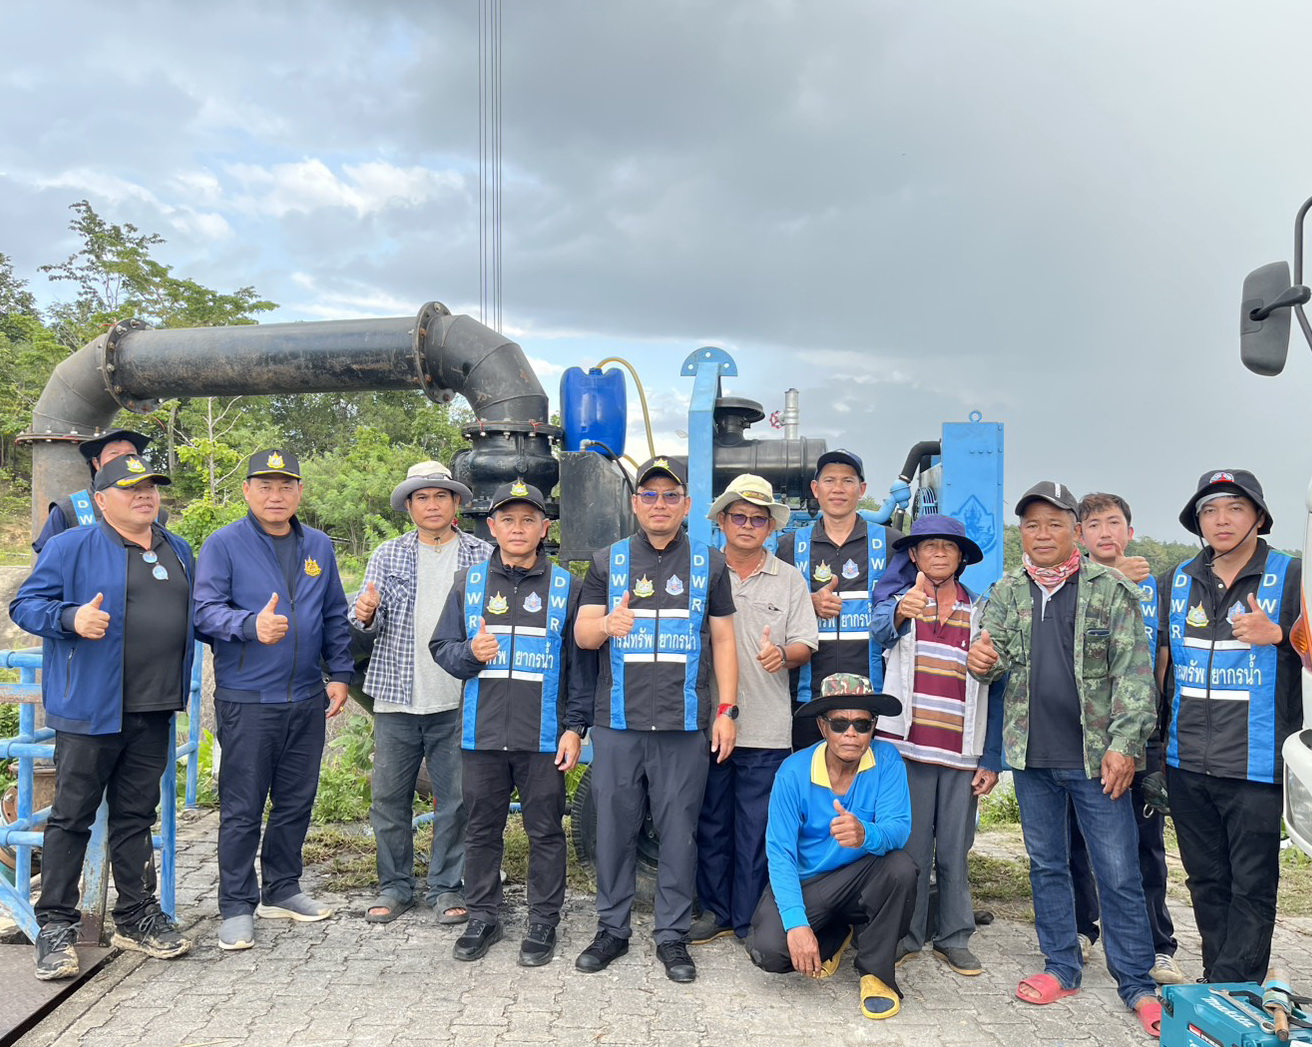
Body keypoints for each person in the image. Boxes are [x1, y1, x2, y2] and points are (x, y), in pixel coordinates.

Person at [966, 481, 1161, 1039]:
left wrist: (1125, 746)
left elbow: (1134, 676)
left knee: (1118, 872)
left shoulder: (1111, 589)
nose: (1043, 534)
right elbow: (993, 662)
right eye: (1032, 525)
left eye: (1054, 524)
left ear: (1075, 530)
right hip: (1032, 759)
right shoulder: (1007, 591)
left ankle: (1138, 984)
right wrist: (980, 659)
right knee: (1047, 865)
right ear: (1021, 533)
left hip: (1097, 760)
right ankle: (1061, 967)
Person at [11, 454, 195, 979]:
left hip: (154, 706)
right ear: (101, 499)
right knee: (72, 817)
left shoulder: (177, 548)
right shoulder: (71, 546)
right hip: (90, 708)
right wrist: (71, 617)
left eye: (151, 487)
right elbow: (26, 605)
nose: (145, 495)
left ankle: (136, 917)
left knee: (137, 816)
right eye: (131, 488)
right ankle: (56, 926)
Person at [573, 456, 738, 984]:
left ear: (686, 505)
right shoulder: (607, 562)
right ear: (635, 503)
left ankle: (672, 935)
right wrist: (607, 624)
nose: (659, 504)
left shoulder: (711, 564)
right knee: (613, 831)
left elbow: (724, 641)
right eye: (649, 495)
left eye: (670, 496)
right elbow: (582, 635)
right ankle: (612, 930)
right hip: (618, 723)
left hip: (684, 724)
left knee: (679, 833)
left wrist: (727, 711)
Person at [193, 448, 354, 951]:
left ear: (300, 492)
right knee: (242, 807)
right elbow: (203, 612)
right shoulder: (224, 544)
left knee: (295, 801)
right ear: (247, 491)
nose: (276, 495)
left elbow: (334, 613)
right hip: (248, 699)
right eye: (265, 486)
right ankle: (236, 905)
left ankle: (282, 889)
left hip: (306, 697)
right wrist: (249, 625)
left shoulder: (318, 545)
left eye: (286, 486)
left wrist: (340, 673)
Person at [430, 481, 596, 966]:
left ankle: (543, 921)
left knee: (546, 832)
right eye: (508, 519)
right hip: (481, 734)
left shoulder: (568, 587)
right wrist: (470, 652)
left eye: (528, 520)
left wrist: (575, 728)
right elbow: (442, 648)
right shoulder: (468, 583)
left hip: (544, 737)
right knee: (482, 830)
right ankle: (483, 916)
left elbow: (582, 669)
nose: (517, 528)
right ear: (492, 527)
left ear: (545, 528)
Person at [1158, 470, 1301, 983]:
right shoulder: (1177, 579)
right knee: (1205, 881)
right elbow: (1161, 665)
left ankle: (1236, 988)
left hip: (1256, 764)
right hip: (1186, 761)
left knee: (1252, 885)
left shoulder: (1294, 577)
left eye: (1235, 508)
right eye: (1210, 510)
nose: (1222, 519)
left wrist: (1280, 634)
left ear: (1258, 517)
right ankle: (1218, 979)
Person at [350, 461, 491, 927]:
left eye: (440, 496)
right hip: (397, 696)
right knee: (389, 800)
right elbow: (362, 623)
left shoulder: (482, 554)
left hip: (459, 697)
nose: (432, 505)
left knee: (457, 799)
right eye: (422, 497)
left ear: (456, 504)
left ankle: (447, 886)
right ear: (409, 507)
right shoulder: (387, 555)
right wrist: (365, 613)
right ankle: (395, 886)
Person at [871, 513, 1002, 976]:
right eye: (929, 546)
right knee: (910, 851)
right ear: (914, 555)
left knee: (953, 851)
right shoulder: (899, 602)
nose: (939, 553)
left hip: (962, 752)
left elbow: (999, 686)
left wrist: (991, 757)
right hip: (907, 750)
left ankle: (954, 936)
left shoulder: (982, 610)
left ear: (962, 558)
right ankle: (907, 935)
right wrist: (900, 611)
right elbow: (880, 629)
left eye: (949, 547)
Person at [690, 475, 818, 945]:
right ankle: (715, 911)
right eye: (739, 516)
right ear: (722, 521)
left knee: (757, 829)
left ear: (771, 527)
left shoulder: (789, 578)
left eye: (758, 519)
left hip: (766, 726)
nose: (747, 525)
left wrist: (783, 654)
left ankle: (747, 919)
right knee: (711, 823)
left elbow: (806, 642)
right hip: (708, 723)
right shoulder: (701, 571)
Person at [745, 673, 917, 1021]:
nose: (851, 733)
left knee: (901, 868)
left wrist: (865, 834)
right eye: (840, 723)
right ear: (823, 727)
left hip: (861, 877)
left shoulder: (887, 760)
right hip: (811, 883)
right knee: (769, 951)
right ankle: (835, 934)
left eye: (862, 724)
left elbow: (899, 829)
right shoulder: (793, 772)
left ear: (873, 726)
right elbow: (780, 854)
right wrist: (797, 925)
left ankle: (876, 973)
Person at [1071, 492, 1181, 985]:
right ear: (1080, 536)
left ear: (1130, 531)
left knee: (1144, 844)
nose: (1105, 532)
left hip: (1139, 737)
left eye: (1114, 522)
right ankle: (1080, 928)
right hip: (1080, 737)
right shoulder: (1070, 583)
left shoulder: (1156, 586)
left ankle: (1157, 944)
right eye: (1094, 525)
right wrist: (1114, 576)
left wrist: (1155, 733)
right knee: (1076, 840)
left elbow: (1163, 661)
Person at [776, 449, 902, 750]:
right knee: (811, 775)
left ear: (862, 489)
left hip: (874, 698)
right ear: (815, 489)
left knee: (869, 776)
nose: (838, 488)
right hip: (808, 699)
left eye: (848, 481)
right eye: (829, 480)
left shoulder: (891, 543)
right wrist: (808, 603)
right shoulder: (789, 545)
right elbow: (773, 609)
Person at [33, 428, 169, 553]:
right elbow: (48, 557)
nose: (123, 461)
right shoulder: (68, 509)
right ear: (96, 463)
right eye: (114, 454)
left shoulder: (152, 511)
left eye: (130, 455)